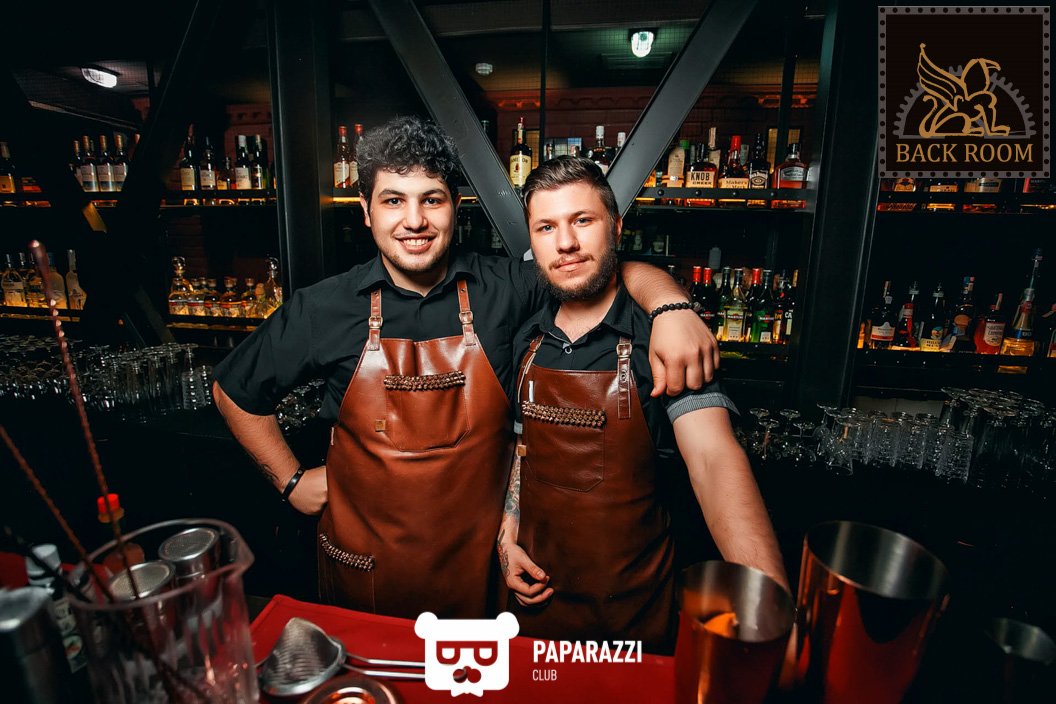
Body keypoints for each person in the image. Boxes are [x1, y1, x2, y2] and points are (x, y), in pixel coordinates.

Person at [212, 116, 720, 620]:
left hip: (480, 577)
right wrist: (291, 481)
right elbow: (233, 391)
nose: (414, 221)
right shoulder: (324, 307)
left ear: (455, 206)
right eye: (393, 201)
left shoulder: (507, 287)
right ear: (366, 211)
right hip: (367, 577)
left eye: (431, 199)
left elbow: (598, 266)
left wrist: (670, 306)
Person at [497, 156, 788, 652]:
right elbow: (522, 448)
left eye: (582, 220)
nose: (565, 243)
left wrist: (771, 602)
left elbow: (714, 460)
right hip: (533, 612)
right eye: (546, 227)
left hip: (633, 617)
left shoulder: (663, 337)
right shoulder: (527, 335)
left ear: (615, 227)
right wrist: (507, 537)